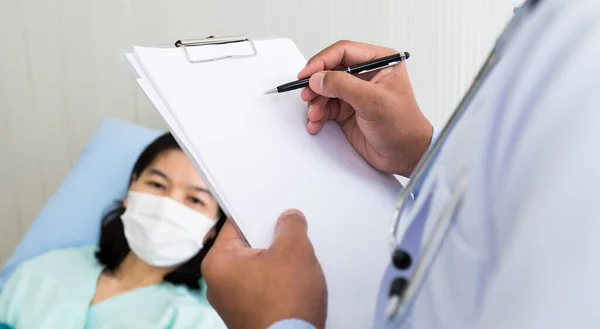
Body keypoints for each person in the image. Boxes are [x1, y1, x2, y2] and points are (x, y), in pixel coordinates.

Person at [200, 0, 600, 328]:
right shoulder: (551, 23)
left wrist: (277, 324)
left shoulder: (584, 53)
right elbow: (505, 207)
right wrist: (423, 151)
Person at [0, 133, 227, 329]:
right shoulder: (42, 272)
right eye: (157, 185)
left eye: (195, 200)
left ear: (214, 228)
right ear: (131, 190)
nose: (168, 206)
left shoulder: (197, 319)